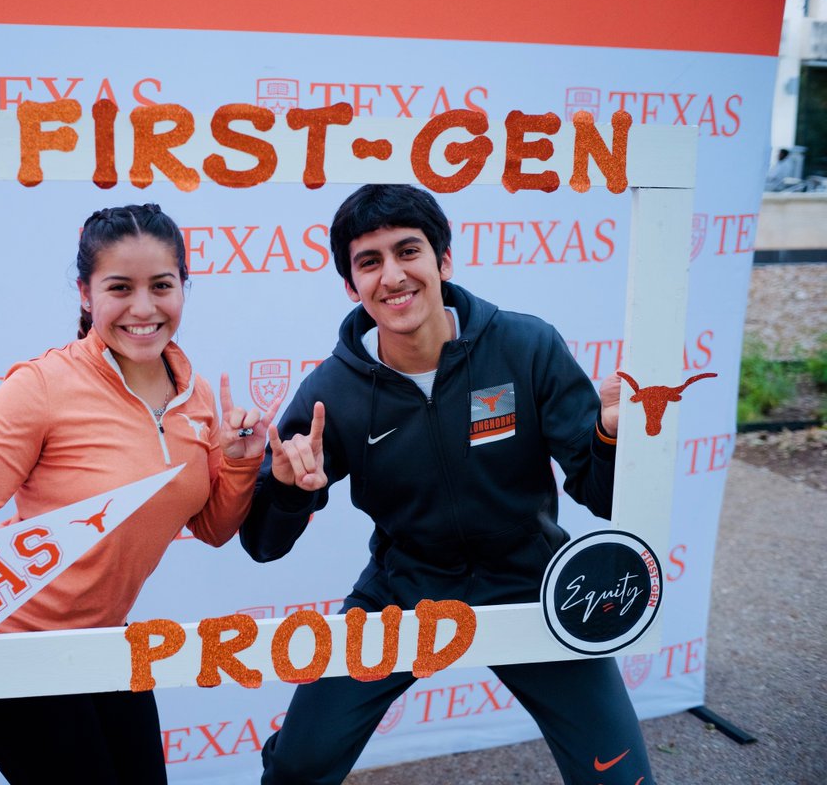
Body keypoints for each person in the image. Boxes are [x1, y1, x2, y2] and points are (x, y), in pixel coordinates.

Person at [239, 184, 653, 785]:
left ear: (443, 261)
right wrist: (289, 490)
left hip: (531, 583)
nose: (393, 275)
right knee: (299, 764)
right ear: (351, 287)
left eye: (408, 251)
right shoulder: (335, 391)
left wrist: (611, 437)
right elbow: (263, 543)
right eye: (369, 261)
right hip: (406, 588)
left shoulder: (525, 344)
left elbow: (603, 492)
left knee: (621, 779)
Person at [0, 204, 277, 784]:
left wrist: (241, 465)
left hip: (102, 643)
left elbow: (212, 529)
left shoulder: (197, 396)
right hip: (11, 651)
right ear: (87, 295)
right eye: (120, 287)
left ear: (183, 289)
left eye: (162, 285)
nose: (144, 307)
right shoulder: (41, 386)